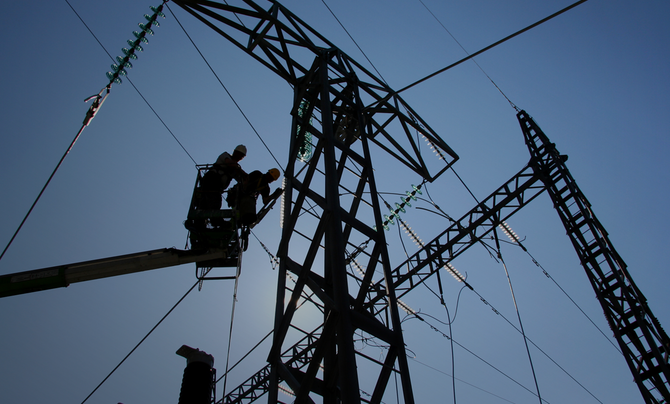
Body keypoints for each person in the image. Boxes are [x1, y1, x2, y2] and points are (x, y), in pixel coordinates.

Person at [197, 145, 247, 227]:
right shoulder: (225, 156)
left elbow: (242, 180)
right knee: (214, 202)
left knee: (208, 203)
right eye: (239, 154)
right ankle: (215, 222)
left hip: (217, 187)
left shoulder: (235, 168)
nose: (239, 157)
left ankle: (204, 222)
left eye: (241, 156)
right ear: (234, 152)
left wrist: (248, 179)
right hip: (211, 181)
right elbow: (229, 163)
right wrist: (242, 172)